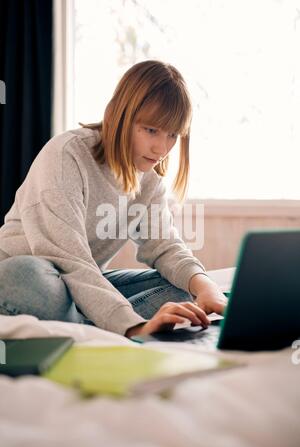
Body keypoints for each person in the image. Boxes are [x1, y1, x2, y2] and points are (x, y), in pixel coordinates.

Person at [0, 60, 227, 338]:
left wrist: (207, 287)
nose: (162, 148)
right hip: (29, 275)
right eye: (151, 130)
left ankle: (89, 322)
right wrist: (134, 326)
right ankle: (108, 322)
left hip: (79, 283)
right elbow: (67, 259)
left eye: (172, 135)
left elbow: (165, 247)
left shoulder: (149, 179)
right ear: (121, 115)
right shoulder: (66, 155)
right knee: (28, 278)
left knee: (181, 289)